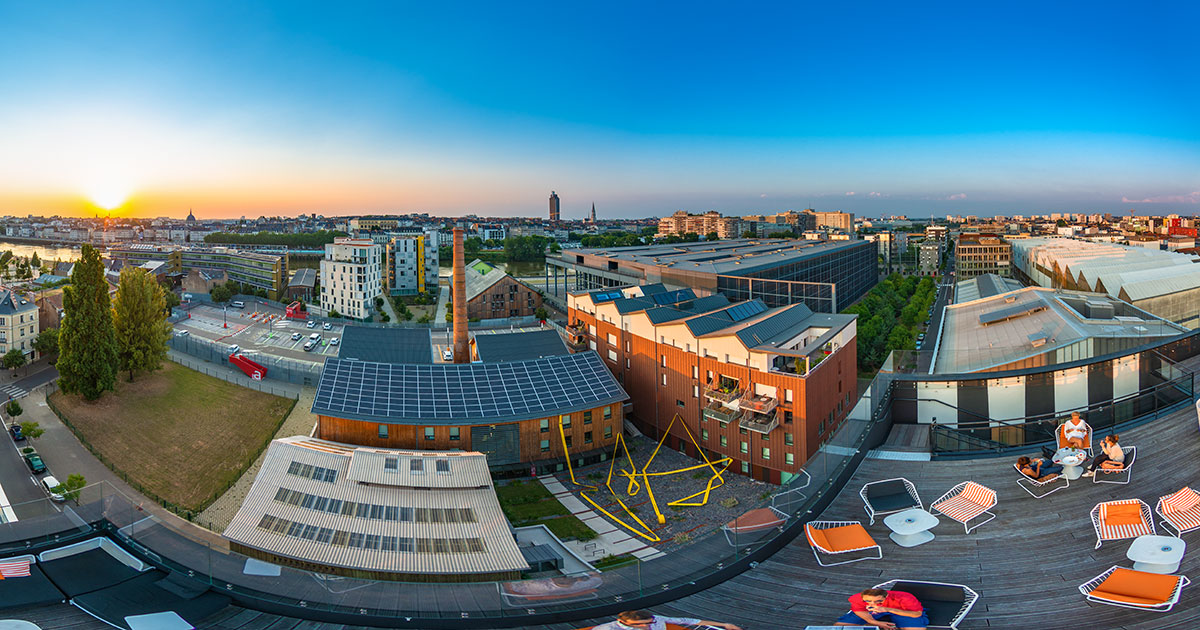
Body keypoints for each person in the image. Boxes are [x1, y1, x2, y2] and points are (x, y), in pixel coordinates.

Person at [836, 587, 928, 629]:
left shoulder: (905, 597)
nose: (872, 604)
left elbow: (917, 614)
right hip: (873, 613)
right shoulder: (858, 598)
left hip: (900, 610)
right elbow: (859, 610)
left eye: (878, 601)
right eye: (868, 601)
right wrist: (874, 622)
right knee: (840, 627)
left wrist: (888, 609)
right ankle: (871, 626)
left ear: (886, 596)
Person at [592, 610, 742, 630]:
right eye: (641, 624)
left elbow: (686, 620)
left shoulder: (656, 619)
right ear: (625, 622)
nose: (646, 626)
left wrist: (724, 624)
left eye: (648, 622)